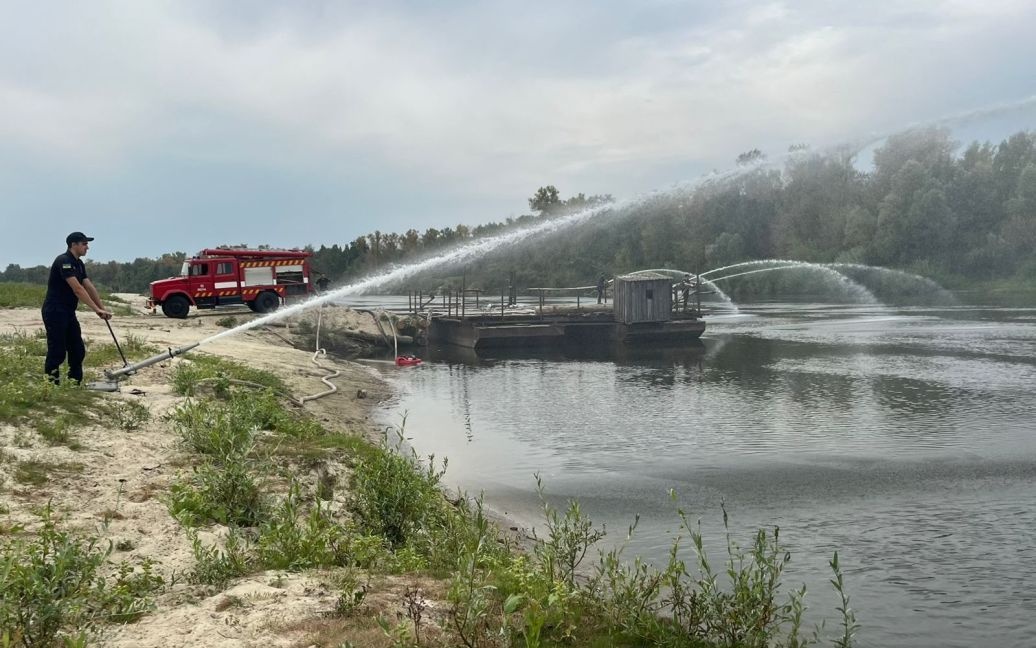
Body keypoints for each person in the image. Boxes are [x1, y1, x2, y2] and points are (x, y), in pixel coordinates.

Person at [42, 232, 112, 384]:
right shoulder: (64, 261)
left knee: (77, 349)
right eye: (84, 244)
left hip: (68, 311)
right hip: (55, 310)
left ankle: (74, 383)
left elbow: (88, 286)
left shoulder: (79, 264)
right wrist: (96, 309)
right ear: (74, 245)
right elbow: (78, 289)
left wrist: (102, 308)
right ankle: (51, 384)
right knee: (57, 351)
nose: (87, 247)